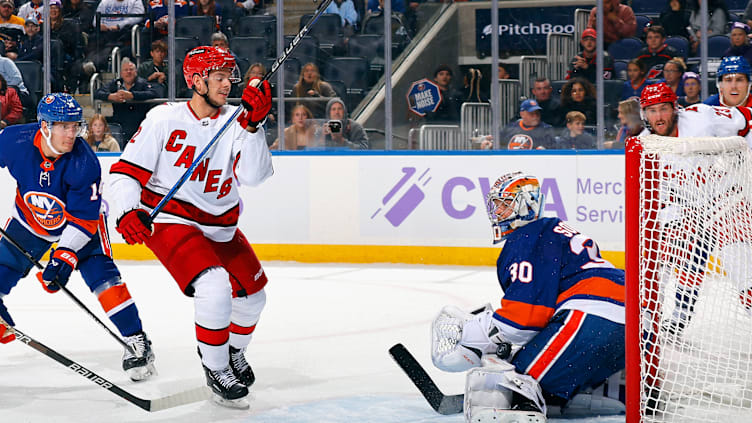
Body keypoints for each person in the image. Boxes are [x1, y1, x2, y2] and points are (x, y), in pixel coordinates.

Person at [108, 45, 274, 408]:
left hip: (221, 225)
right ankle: (216, 368)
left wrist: (255, 126)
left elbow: (254, 176)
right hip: (171, 219)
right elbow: (124, 173)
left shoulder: (238, 120)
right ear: (196, 81)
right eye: (218, 77)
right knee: (214, 286)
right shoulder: (164, 119)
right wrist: (126, 211)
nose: (228, 83)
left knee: (254, 297)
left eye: (230, 76)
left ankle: (231, 353)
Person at [431, 172, 625, 422]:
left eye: (505, 203)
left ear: (526, 203)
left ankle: (533, 401)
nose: (497, 211)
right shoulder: (551, 232)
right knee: (543, 371)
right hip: (632, 320)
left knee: (514, 382)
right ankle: (606, 388)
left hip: (593, 316)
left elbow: (523, 321)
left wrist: (480, 338)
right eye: (496, 205)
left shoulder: (527, 237)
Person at [0, 93, 155, 380]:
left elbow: (83, 219)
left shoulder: (84, 162)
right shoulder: (13, 140)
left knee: (104, 280)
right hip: (29, 220)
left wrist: (63, 257)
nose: (72, 133)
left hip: (81, 226)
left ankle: (137, 340)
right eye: (63, 126)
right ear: (44, 126)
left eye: (75, 126)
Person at [638, 82, 752, 336]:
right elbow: (658, 199)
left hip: (727, 200)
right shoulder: (644, 148)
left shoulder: (702, 117)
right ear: (644, 113)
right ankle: (664, 322)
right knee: (663, 262)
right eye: (652, 110)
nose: (659, 117)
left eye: (664, 109)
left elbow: (746, 120)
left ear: (675, 108)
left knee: (742, 270)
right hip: (688, 206)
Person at [94, 58, 160, 141]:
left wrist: (132, 95)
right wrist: (111, 96)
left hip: (139, 124)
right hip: (120, 123)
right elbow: (97, 93)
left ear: (136, 72)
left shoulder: (143, 83)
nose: (128, 72)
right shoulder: (115, 84)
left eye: (131, 70)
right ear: (121, 73)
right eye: (126, 70)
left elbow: (154, 93)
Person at [483, 99, 554, 150]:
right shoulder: (511, 127)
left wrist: (544, 151)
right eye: (531, 113)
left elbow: (552, 148)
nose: (535, 116)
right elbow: (499, 143)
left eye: (537, 113)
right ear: (522, 114)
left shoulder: (546, 129)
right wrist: (491, 144)